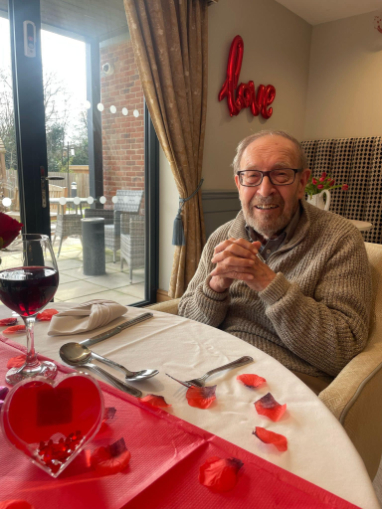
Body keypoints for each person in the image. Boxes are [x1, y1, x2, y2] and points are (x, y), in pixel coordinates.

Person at [178, 130, 372, 394]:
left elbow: (343, 348)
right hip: (212, 366)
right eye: (252, 176)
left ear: (302, 182)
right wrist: (214, 287)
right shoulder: (221, 236)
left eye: (281, 175)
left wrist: (267, 282)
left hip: (289, 379)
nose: (265, 190)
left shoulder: (340, 238)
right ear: (239, 184)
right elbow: (186, 323)